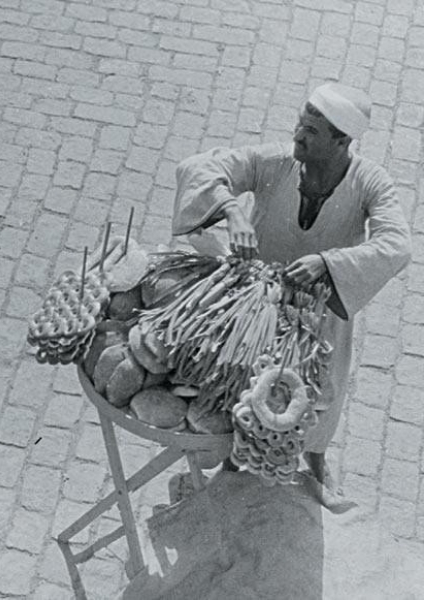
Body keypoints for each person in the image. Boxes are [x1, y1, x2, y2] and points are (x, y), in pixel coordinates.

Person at [172, 82, 411, 511]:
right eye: (301, 122)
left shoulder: (370, 183)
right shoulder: (275, 162)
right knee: (241, 384)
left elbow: (396, 244)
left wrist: (327, 262)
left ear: (342, 141)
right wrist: (230, 209)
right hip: (254, 306)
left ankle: (315, 459)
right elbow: (198, 167)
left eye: (313, 131)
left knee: (324, 392)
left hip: (318, 311)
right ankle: (233, 459)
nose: (298, 134)